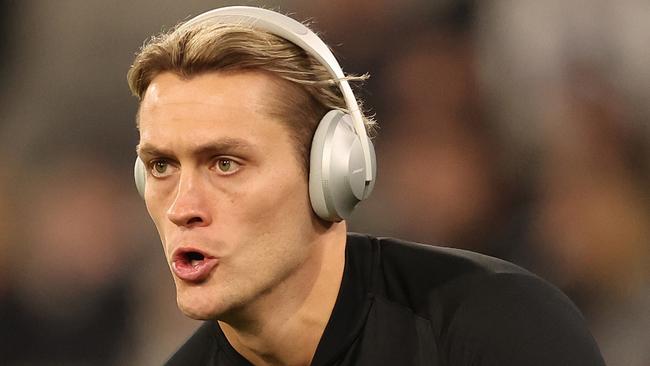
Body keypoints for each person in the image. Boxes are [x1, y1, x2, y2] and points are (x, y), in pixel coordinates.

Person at [127, 6, 604, 366]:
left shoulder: (496, 328)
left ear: (332, 174)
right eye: (162, 166)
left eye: (225, 164)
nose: (182, 207)